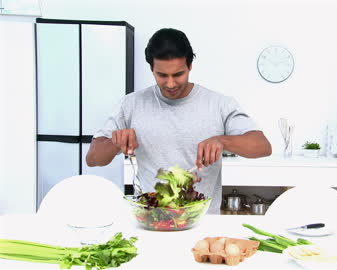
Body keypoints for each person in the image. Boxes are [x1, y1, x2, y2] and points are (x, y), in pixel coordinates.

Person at [86, 28, 272, 213]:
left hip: (203, 222)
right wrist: (115, 143)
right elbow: (93, 158)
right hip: (152, 220)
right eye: (162, 75)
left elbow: (262, 146)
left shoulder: (219, 104)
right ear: (152, 69)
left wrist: (222, 140)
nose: (170, 84)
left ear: (190, 66)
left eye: (178, 74)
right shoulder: (131, 104)